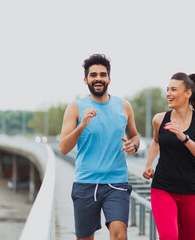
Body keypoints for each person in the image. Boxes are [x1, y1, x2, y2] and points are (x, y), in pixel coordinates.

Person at [59, 54, 140, 240]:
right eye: (93, 75)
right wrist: (82, 125)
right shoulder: (76, 107)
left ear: (109, 79)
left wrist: (133, 145)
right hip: (85, 183)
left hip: (116, 182)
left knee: (120, 236)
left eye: (103, 75)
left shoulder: (124, 106)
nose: (98, 78)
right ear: (86, 79)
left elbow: (135, 136)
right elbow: (63, 148)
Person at [142, 72, 195, 240]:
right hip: (162, 188)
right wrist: (148, 164)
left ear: (188, 93)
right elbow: (156, 142)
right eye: (167, 89)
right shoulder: (159, 119)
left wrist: (184, 138)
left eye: (173, 89)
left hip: (190, 191)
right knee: (169, 237)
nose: (168, 94)